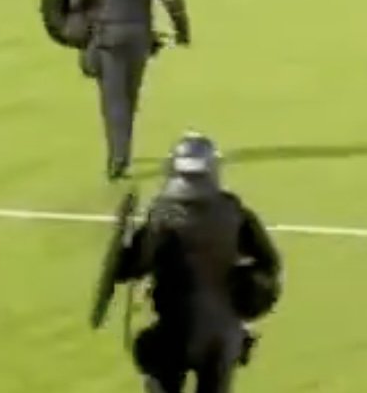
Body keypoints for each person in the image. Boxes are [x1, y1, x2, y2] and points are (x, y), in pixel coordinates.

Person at [109, 133, 283, 392]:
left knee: (157, 367)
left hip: (172, 335)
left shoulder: (162, 215)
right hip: (222, 337)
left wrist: (124, 241)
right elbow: (270, 264)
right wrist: (245, 295)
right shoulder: (233, 211)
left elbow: (127, 269)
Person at [63, 0, 192, 180]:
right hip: (138, 42)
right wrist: (182, 32)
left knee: (113, 100)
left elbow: (75, 0)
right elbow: (172, 1)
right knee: (129, 96)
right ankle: (122, 151)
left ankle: (118, 157)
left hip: (108, 41)